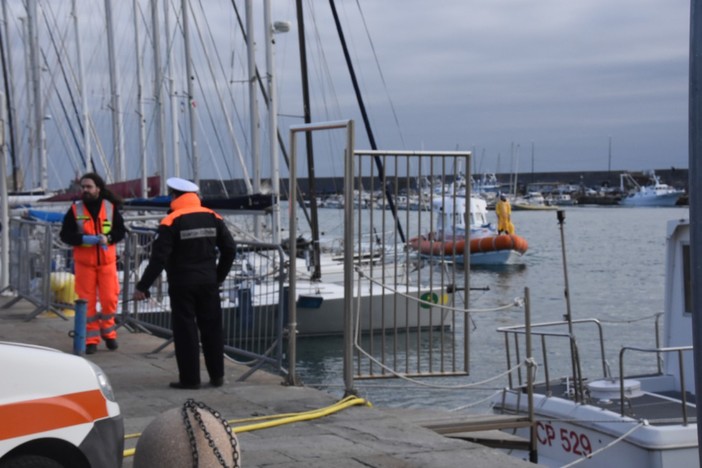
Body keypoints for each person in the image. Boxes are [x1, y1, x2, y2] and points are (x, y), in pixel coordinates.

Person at [132, 177, 236, 390]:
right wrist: (218, 276)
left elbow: (158, 259)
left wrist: (143, 287)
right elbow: (230, 249)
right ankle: (217, 377)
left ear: (174, 196)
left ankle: (190, 380)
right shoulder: (213, 217)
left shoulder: (171, 221)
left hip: (182, 284)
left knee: (186, 331)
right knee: (212, 329)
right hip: (208, 283)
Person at [60, 172, 126, 355]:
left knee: (110, 300)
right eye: (83, 187)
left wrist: (109, 238)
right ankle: (90, 340)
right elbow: (65, 235)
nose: (85, 190)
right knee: (86, 303)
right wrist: (83, 239)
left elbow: (121, 231)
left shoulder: (110, 208)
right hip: (84, 264)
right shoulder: (75, 210)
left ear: (98, 188)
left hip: (106, 263)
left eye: (89, 187)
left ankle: (110, 334)